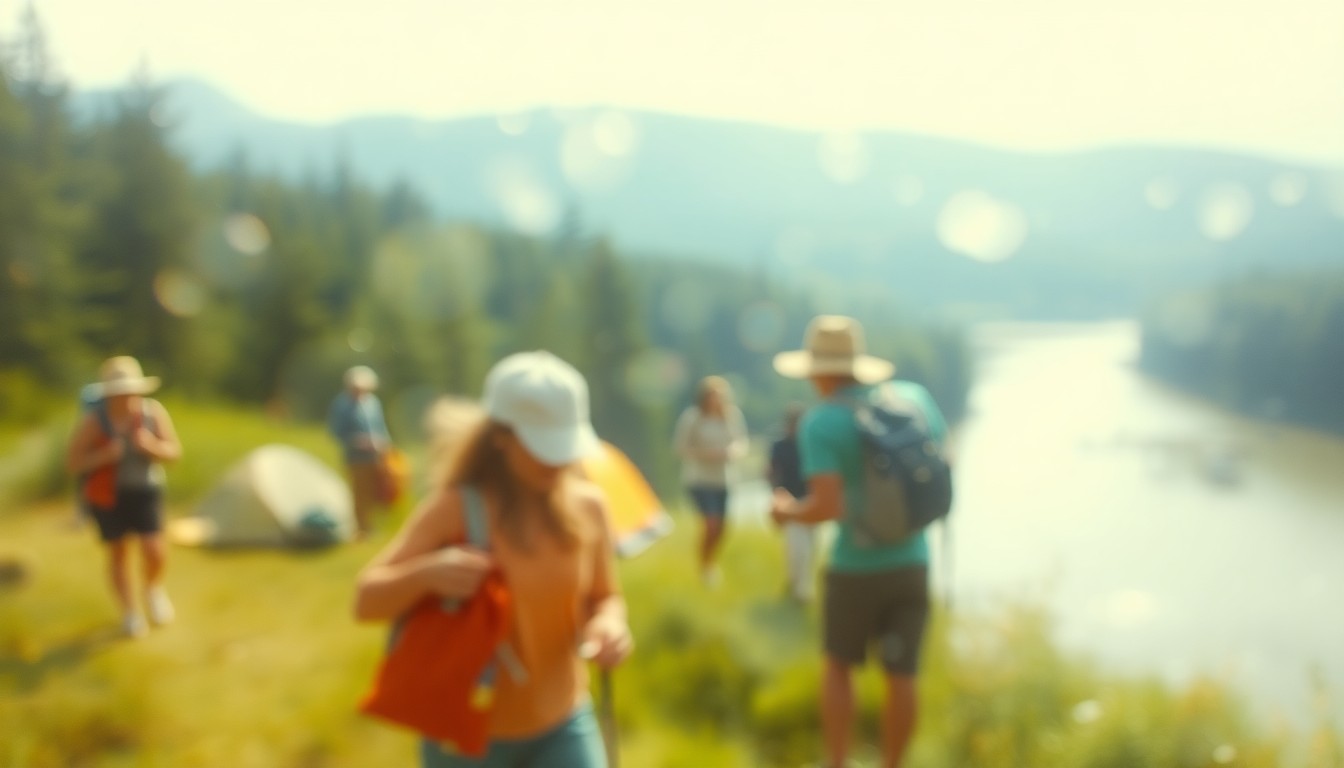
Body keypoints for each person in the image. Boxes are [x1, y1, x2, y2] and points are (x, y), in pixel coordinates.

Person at [354, 351, 632, 768]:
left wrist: (611, 623)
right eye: (542, 445)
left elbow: (605, 595)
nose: (557, 460)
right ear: (499, 436)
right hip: (467, 735)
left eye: (564, 445)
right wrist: (427, 575)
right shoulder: (454, 509)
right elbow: (366, 601)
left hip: (565, 720)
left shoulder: (589, 507)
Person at [769, 316, 950, 768]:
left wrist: (786, 511)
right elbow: (941, 461)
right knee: (902, 675)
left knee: (839, 666)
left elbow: (826, 507)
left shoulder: (822, 423)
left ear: (822, 371)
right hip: (914, 558)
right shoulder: (913, 398)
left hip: (855, 567)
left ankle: (837, 762)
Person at [66, 356, 183, 638]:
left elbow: (174, 453)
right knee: (118, 553)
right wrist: (103, 457)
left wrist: (151, 446)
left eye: (130, 391)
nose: (125, 397)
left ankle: (153, 589)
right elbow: (72, 462)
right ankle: (130, 612)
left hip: (145, 491)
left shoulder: (152, 413)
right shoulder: (95, 421)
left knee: (154, 550)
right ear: (109, 394)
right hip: (108, 495)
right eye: (119, 393)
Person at [672, 375, 748, 586]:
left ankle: (711, 562)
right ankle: (704, 567)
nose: (717, 400)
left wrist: (731, 452)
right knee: (711, 523)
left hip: (724, 479)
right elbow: (680, 447)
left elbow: (741, 442)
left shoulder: (731, 416)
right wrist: (705, 454)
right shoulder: (693, 417)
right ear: (704, 397)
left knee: (723, 526)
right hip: (699, 479)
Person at [328, 365, 393, 538]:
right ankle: (360, 529)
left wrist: (385, 443)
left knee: (373, 491)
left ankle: (369, 526)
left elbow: (380, 427)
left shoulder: (372, 402)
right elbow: (336, 432)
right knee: (358, 492)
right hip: (354, 457)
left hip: (375, 455)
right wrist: (358, 441)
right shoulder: (342, 404)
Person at [768, 403, 815, 604]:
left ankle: (799, 585)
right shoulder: (779, 445)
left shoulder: (811, 444)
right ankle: (800, 591)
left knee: (810, 546)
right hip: (789, 500)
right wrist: (777, 495)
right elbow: (771, 473)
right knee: (797, 546)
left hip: (811, 500)